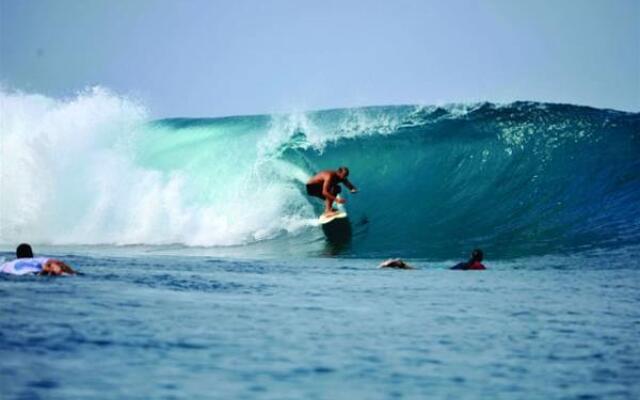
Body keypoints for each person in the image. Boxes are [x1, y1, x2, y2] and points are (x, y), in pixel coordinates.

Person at [0, 243, 77, 276]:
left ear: (17, 256)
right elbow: (57, 262)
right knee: (52, 266)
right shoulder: (38, 259)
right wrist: (72, 272)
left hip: (21, 274)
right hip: (36, 271)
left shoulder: (8, 264)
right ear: (32, 254)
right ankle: (47, 270)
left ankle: (45, 271)